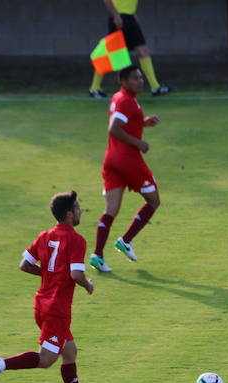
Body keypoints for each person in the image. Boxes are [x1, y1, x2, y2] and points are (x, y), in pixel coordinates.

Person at [0, 190, 101, 383]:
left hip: (42, 303)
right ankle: (1, 364)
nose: (80, 212)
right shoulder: (76, 240)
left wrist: (50, 274)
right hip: (57, 309)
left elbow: (24, 265)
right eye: (78, 208)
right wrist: (87, 285)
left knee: (70, 351)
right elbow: (76, 275)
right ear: (69, 214)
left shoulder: (45, 236)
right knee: (47, 359)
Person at [89, 65, 162, 273]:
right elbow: (114, 128)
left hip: (110, 160)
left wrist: (143, 123)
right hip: (129, 161)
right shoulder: (127, 101)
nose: (140, 81)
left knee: (110, 210)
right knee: (154, 200)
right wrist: (139, 143)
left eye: (141, 77)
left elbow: (124, 122)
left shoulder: (119, 97)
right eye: (135, 78)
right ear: (124, 82)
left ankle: (97, 256)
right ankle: (126, 241)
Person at [89, 0, 172, 98]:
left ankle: (155, 88)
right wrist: (116, 15)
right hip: (118, 18)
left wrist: (132, 14)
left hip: (129, 18)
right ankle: (94, 88)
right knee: (112, 53)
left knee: (143, 51)